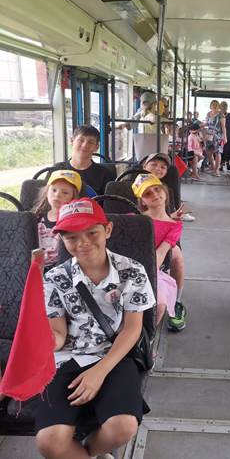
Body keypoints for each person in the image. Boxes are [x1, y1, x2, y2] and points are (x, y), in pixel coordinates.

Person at [35, 198, 156, 459]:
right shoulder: (54, 278)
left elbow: (132, 329)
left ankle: (89, 451)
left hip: (114, 354)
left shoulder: (132, 271)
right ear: (62, 240)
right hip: (67, 357)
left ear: (107, 230)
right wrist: (36, 338)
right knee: (49, 442)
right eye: (72, 237)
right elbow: (58, 335)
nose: (83, 243)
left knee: (123, 427)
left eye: (92, 233)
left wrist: (99, 372)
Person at [132, 174, 187, 331]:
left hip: (152, 269)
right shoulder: (134, 220)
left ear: (165, 191)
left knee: (160, 303)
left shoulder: (174, 226)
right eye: (148, 193)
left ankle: (146, 338)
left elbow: (162, 252)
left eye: (157, 189)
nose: (155, 194)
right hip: (128, 267)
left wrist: (145, 277)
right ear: (143, 201)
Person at [33, 170, 82, 271]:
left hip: (59, 269)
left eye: (65, 193)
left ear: (73, 197)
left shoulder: (73, 223)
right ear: (47, 192)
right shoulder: (37, 218)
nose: (57, 195)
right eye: (54, 190)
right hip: (34, 266)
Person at [53, 126, 116, 196]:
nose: (85, 145)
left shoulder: (105, 174)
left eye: (90, 142)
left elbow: (110, 201)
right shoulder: (57, 170)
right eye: (81, 140)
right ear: (72, 141)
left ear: (96, 147)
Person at [142, 152, 196, 222]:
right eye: (154, 164)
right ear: (144, 166)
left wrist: (171, 216)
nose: (158, 168)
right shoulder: (138, 184)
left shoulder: (165, 190)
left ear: (166, 172)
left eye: (163, 167)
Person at [203, 100, 227, 177]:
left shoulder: (221, 115)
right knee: (208, 152)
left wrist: (225, 137)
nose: (214, 106)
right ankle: (213, 166)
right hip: (209, 135)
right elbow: (206, 123)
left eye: (215, 105)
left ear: (218, 106)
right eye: (212, 104)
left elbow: (223, 127)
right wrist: (199, 126)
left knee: (217, 152)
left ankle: (217, 170)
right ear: (210, 105)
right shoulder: (208, 114)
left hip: (218, 136)